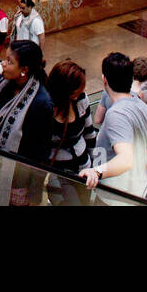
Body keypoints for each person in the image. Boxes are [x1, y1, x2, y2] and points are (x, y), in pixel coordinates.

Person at [0, 40, 53, 205]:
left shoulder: (41, 103)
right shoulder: (3, 83)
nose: (3, 64)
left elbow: (41, 153)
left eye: (9, 62)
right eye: (4, 59)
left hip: (17, 182)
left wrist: (34, 194)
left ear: (24, 70)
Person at [79, 52, 147, 202]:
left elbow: (125, 159)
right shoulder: (144, 106)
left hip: (114, 198)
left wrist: (96, 171)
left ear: (104, 80)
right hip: (140, 192)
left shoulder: (116, 114)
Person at [45, 59, 97, 205]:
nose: (80, 93)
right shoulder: (47, 108)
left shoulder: (81, 99)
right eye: (76, 91)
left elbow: (89, 133)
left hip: (83, 169)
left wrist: (93, 166)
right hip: (58, 173)